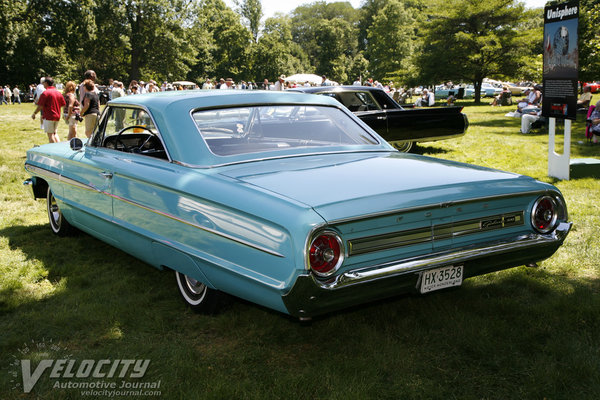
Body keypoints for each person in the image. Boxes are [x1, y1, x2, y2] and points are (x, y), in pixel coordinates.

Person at [31, 76, 66, 143]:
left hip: (48, 116)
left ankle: (53, 150)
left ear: (46, 83)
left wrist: (34, 113)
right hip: (57, 116)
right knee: (55, 133)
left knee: (50, 135)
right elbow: (63, 104)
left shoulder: (45, 93)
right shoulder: (58, 93)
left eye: (43, 83)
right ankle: (59, 148)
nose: (43, 84)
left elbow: (40, 106)